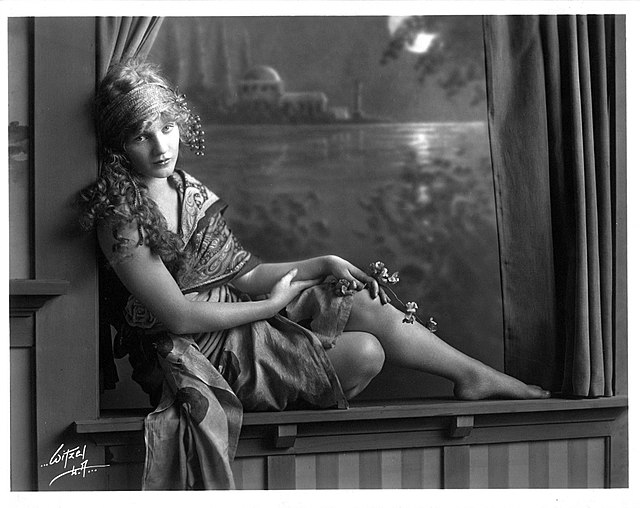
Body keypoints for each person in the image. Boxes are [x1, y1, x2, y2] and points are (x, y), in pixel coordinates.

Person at [80, 59, 550, 490]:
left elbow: (246, 275)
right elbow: (179, 316)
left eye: (167, 127)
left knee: (354, 296)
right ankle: (285, 387)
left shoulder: (187, 188)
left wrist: (323, 262)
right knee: (366, 353)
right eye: (142, 135)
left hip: (238, 314)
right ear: (119, 144)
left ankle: (474, 376)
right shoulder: (120, 217)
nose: (161, 146)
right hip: (194, 354)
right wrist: (270, 307)